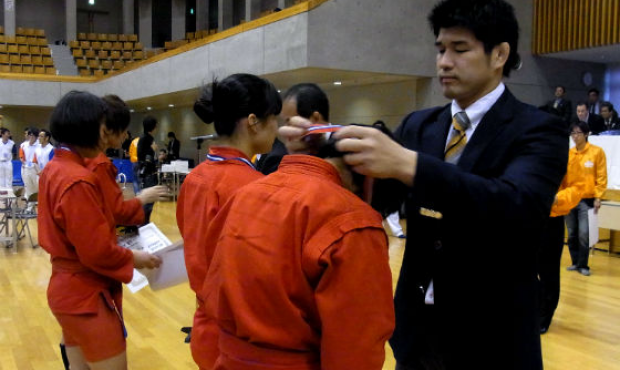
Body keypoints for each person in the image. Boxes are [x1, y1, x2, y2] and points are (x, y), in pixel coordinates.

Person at [280, 0, 568, 368]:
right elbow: (378, 201)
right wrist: (328, 152)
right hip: (417, 331)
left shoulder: (538, 129)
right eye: (440, 49)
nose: (444, 62)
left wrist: (410, 164)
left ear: (499, 55)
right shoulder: (421, 125)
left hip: (493, 335)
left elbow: (517, 207)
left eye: (459, 50)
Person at [201, 125, 395, 369]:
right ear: (372, 180)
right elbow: (355, 349)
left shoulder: (246, 193)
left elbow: (210, 274)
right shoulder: (353, 219)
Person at [38, 91, 161, 370]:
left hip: (66, 289)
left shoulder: (55, 168)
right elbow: (96, 251)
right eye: (103, 128)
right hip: (86, 295)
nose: (106, 136)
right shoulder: (78, 179)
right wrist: (134, 258)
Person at [176, 73, 282, 370]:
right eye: (274, 118)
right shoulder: (253, 186)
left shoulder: (194, 178)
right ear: (253, 121)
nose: (277, 127)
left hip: (205, 324)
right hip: (239, 337)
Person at [538, 173, 585, 334]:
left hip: (551, 218)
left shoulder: (566, 157)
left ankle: (544, 316)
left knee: (548, 271)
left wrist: (557, 198)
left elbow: (577, 187)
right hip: (527, 216)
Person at [256, 83, 331, 175]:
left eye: (290, 122)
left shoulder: (344, 149)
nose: (285, 130)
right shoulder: (290, 155)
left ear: (315, 119)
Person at [565, 121, 607, 276]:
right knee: (572, 233)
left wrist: (598, 197)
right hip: (570, 199)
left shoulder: (596, 152)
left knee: (584, 233)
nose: (575, 136)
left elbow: (601, 176)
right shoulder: (569, 154)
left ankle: (583, 265)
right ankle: (575, 262)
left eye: (578, 133)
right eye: (573, 133)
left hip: (587, 199)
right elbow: (564, 177)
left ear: (587, 134)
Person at [137, 116, 159, 224]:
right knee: (148, 200)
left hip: (150, 172)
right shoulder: (145, 139)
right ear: (153, 127)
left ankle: (145, 222)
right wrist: (152, 150)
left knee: (150, 199)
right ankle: (144, 223)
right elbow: (142, 157)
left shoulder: (147, 138)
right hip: (147, 173)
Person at [19, 127, 40, 199]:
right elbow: (21, 156)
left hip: (36, 169)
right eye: (29, 135)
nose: (30, 137)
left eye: (32, 135)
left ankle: (38, 205)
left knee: (37, 187)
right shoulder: (23, 145)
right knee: (28, 187)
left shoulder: (39, 146)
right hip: (26, 169)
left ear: (36, 137)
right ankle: (30, 206)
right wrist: (22, 160)